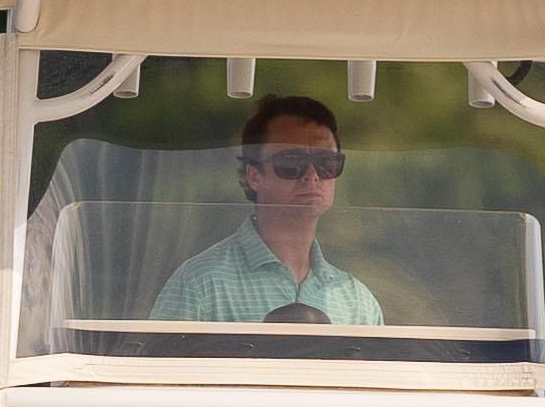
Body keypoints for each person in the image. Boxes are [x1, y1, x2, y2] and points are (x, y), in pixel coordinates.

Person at [153, 93, 384, 326]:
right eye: (291, 162)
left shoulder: (358, 302)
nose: (312, 175)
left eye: (327, 162)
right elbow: (153, 362)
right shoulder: (199, 284)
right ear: (253, 176)